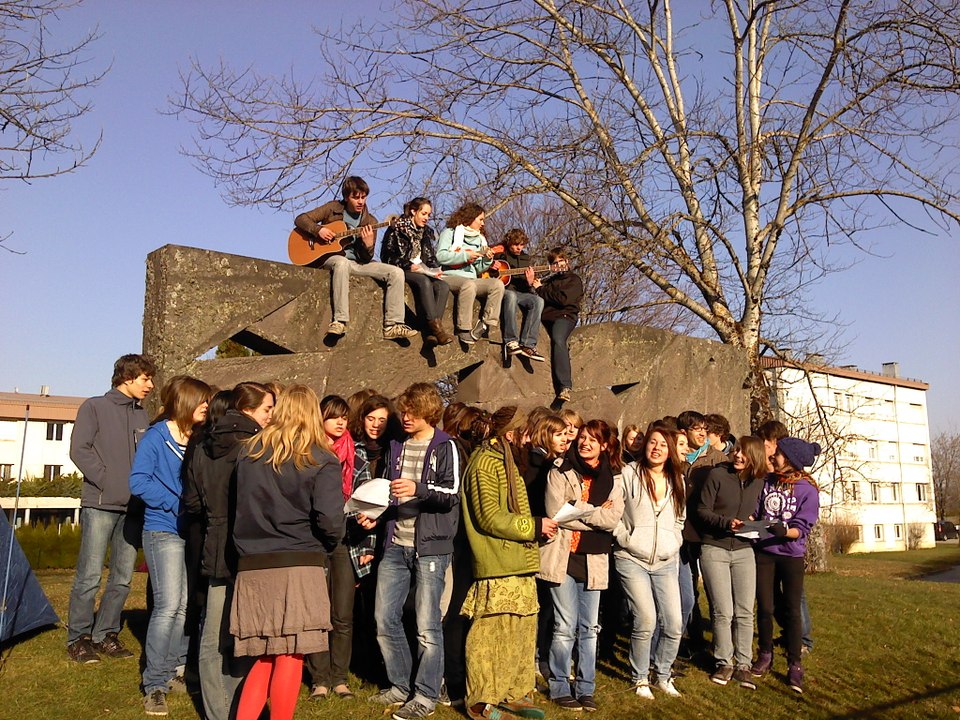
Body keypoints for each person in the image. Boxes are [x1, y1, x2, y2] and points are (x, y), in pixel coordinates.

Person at [230, 384, 345, 720]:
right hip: (298, 562)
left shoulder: (247, 454)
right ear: (312, 413)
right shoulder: (321, 458)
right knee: (291, 656)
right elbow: (330, 519)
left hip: (253, 564)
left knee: (265, 657)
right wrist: (328, 544)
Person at [361, 383, 461, 720]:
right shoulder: (395, 445)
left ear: (429, 412)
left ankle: (427, 695)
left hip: (430, 548)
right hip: (395, 544)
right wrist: (373, 512)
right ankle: (400, 685)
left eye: (412, 412)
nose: (405, 417)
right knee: (384, 618)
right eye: (403, 410)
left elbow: (451, 495)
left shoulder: (446, 446)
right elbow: (389, 489)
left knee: (427, 625)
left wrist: (419, 489)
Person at [183, 382, 274, 720]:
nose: (271, 416)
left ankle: (218, 710)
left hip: (214, 542)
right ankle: (237, 707)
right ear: (248, 410)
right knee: (245, 634)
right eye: (267, 409)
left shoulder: (201, 442)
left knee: (213, 632)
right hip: (250, 548)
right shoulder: (256, 446)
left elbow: (191, 501)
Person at [460, 406, 558, 720]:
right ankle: (480, 699)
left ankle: (514, 693)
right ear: (513, 432)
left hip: (519, 559)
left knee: (521, 631)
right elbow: (489, 516)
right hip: (497, 559)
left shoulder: (510, 459)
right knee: (490, 633)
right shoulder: (486, 462)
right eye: (529, 433)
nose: (531, 441)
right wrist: (534, 526)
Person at [129, 375, 213, 716]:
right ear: (186, 402)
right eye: (202, 401)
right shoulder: (156, 437)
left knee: (185, 605)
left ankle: (177, 667)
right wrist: (177, 502)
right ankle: (155, 684)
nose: (207, 406)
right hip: (163, 529)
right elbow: (138, 482)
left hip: (190, 533)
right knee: (168, 606)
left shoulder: (199, 438)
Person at [67, 354, 156, 663]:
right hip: (101, 504)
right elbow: (79, 449)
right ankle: (78, 638)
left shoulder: (142, 415)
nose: (150, 384)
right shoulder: (94, 407)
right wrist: (108, 482)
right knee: (89, 575)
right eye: (145, 378)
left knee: (122, 577)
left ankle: (106, 634)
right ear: (127, 377)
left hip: (134, 508)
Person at [540, 420, 624, 712]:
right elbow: (556, 513)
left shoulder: (615, 475)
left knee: (589, 628)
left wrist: (578, 508)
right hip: (563, 557)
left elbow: (613, 520)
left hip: (594, 559)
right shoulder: (559, 470)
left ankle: (586, 688)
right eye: (582, 437)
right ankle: (560, 686)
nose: (585, 443)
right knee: (565, 626)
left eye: (593, 439)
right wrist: (595, 513)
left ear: (604, 445)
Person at [294, 176, 417, 341]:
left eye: (363, 197)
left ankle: (393, 325)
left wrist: (367, 245)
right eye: (356, 197)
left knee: (396, 272)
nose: (360, 201)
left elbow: (367, 257)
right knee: (342, 262)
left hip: (358, 263)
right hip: (332, 259)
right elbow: (300, 219)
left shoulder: (370, 221)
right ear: (346, 197)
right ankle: (340, 321)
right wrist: (318, 231)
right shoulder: (333, 208)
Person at [613, 424, 686, 700]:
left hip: (666, 560)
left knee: (675, 623)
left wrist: (674, 541)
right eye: (652, 443)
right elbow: (614, 511)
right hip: (632, 558)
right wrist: (625, 537)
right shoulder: (629, 474)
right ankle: (640, 677)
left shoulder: (676, 479)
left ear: (670, 451)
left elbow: (680, 518)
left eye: (663, 445)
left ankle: (663, 674)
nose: (656, 448)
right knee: (645, 619)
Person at [750, 436, 821, 694]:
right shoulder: (766, 483)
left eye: (777, 454)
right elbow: (756, 514)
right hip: (765, 553)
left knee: (791, 610)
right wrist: (746, 523)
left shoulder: (807, 489)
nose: (773, 457)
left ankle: (794, 664)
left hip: (790, 555)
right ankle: (765, 654)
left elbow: (801, 529)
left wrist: (783, 530)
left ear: (790, 460)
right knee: (765, 607)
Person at [696, 435, 767, 690]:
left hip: (744, 550)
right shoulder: (717, 475)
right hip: (714, 547)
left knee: (745, 611)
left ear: (755, 457)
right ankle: (724, 662)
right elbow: (702, 511)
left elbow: (765, 514)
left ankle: (744, 665)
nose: (737, 456)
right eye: (736, 451)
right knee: (723, 610)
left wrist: (755, 522)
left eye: (744, 453)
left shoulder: (760, 482)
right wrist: (726, 523)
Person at [305, 395, 362, 701]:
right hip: (313, 539)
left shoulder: (354, 451)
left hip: (343, 539)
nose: (341, 422)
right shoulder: (309, 451)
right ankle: (319, 678)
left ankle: (340, 677)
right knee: (317, 613)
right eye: (334, 417)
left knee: (342, 612)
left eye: (344, 417)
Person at [381, 197, 454, 345]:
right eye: (424, 214)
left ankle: (431, 333)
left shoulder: (426, 232)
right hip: (404, 269)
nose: (426, 218)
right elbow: (387, 255)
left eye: (428, 215)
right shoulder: (396, 228)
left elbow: (430, 256)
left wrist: (436, 270)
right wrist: (407, 265)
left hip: (423, 269)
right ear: (413, 211)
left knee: (443, 286)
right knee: (424, 281)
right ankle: (437, 330)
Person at [435, 202, 505, 345]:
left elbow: (478, 269)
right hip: (449, 276)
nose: (483, 223)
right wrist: (465, 256)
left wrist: (486, 260)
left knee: (497, 284)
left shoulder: (480, 240)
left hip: (472, 278)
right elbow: (440, 256)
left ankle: (486, 324)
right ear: (470, 218)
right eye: (480, 219)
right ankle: (464, 329)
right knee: (468, 285)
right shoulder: (449, 233)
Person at [537, 248, 583, 402]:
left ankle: (565, 386)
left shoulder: (574, 280)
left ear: (567, 261)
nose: (559, 265)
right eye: (555, 263)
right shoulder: (548, 282)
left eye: (561, 261)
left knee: (558, 339)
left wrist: (540, 290)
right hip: (545, 318)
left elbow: (563, 299)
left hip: (565, 317)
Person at [497, 228, 546, 362]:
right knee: (510, 296)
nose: (519, 248)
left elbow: (526, 288)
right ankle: (511, 341)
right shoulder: (500, 253)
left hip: (520, 292)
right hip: (502, 290)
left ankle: (528, 344)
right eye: (516, 244)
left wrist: (530, 282)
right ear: (509, 243)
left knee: (538, 301)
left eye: (522, 245)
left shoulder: (526, 259)